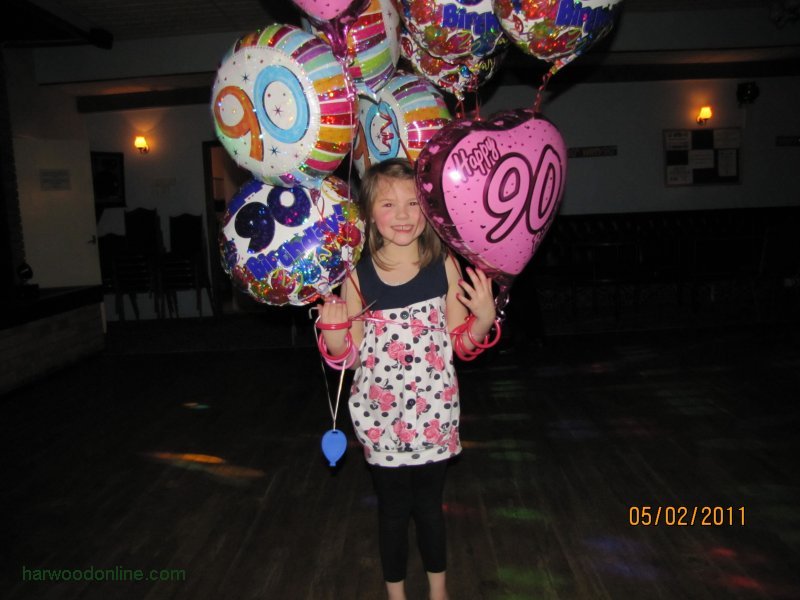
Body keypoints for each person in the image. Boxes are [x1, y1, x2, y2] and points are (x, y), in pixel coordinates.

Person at [316, 158, 498, 600]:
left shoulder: (445, 266)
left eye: (413, 202)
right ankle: (395, 595)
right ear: (369, 213)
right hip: (380, 416)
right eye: (388, 203)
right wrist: (335, 335)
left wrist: (484, 318)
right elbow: (349, 358)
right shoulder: (356, 275)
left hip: (434, 412)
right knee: (393, 511)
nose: (402, 214)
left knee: (431, 509)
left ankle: (440, 592)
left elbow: (460, 343)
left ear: (429, 209)